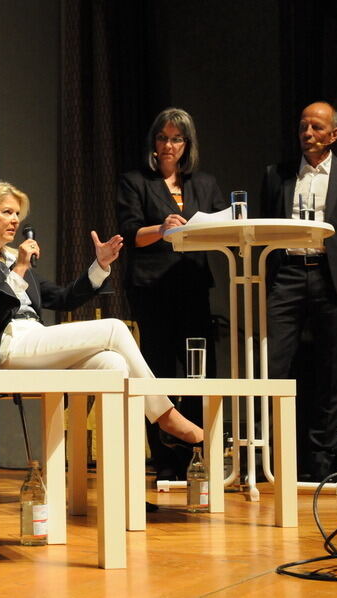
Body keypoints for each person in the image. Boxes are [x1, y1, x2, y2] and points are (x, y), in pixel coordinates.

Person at [0, 179, 204, 451]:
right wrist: (19, 269)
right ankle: (167, 418)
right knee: (115, 328)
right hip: (5, 346)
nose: (15, 220)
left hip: (36, 339)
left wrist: (100, 264)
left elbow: (63, 298)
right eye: (7, 212)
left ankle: (119, 473)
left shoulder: (9, 258)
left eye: (17, 214)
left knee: (112, 362)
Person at [261, 101, 337, 481]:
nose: (308, 133)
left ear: (334, 134)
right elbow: (265, 229)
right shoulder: (277, 174)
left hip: (330, 279)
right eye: (303, 126)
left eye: (317, 127)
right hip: (287, 276)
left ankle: (321, 466)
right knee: (272, 368)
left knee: (330, 376)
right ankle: (272, 461)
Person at [116, 107, 228, 479]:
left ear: (187, 144)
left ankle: (199, 451)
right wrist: (161, 228)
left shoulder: (204, 183)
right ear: (154, 141)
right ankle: (164, 459)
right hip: (152, 285)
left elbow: (218, 226)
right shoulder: (135, 181)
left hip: (193, 284)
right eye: (162, 137)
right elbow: (130, 233)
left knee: (199, 368)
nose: (168, 145)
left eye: (176, 138)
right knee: (159, 366)